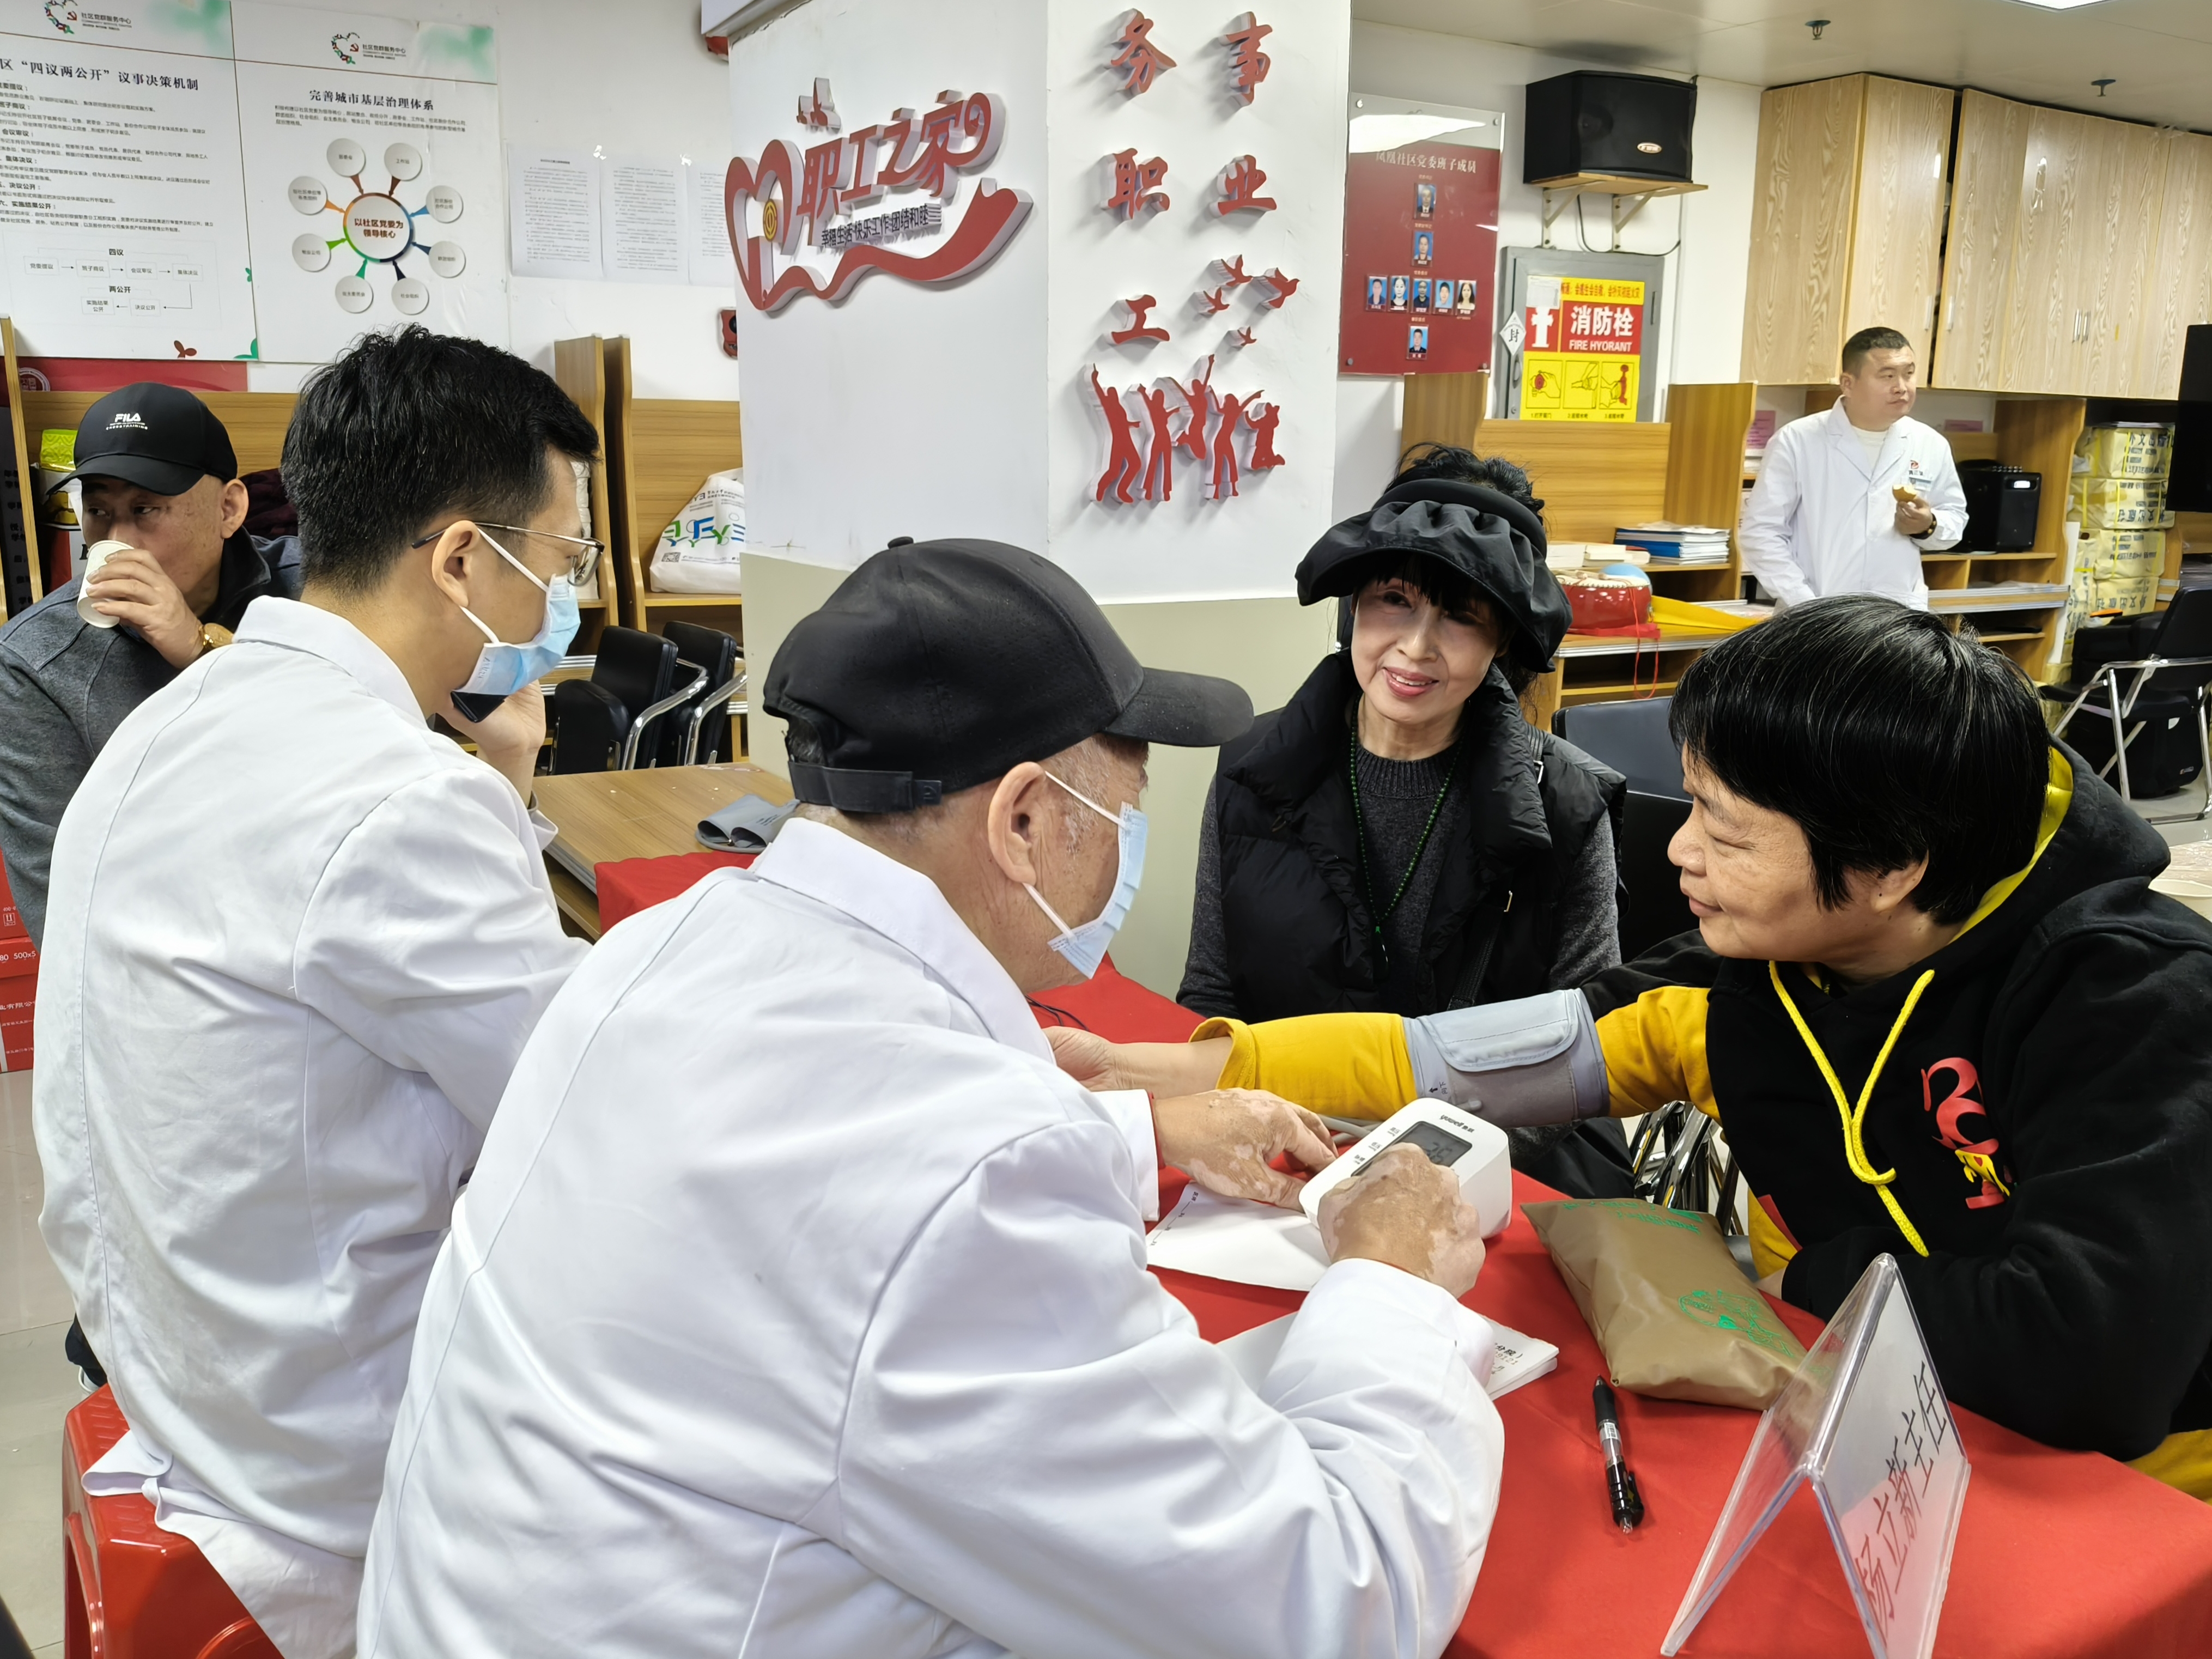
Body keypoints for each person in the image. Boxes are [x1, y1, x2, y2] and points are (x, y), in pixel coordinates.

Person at [359, 540, 1508, 1657]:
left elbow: (814, 1181)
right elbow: (1330, 1602)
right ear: (1024, 821)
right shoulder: (966, 1177)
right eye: (1130, 797)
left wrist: (1138, 1125)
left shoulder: (654, 950)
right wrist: (1388, 1284)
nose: (1134, 834)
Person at [1062, 597, 2212, 1496]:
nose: (1679, 854)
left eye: (1727, 830)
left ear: (1890, 865)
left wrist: (1789, 1282)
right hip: (1873, 1427)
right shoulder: (1744, 981)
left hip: (2134, 1490)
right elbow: (1446, 1061)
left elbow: (2090, 1362)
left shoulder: (2134, 999)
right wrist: (1156, 1068)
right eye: (1692, 804)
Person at [34, 326, 604, 1658]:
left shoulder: (176, 720)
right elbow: (584, 1102)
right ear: (461, 559)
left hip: (176, 1356)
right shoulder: (400, 795)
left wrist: (501, 786)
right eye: (563, 560)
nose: (564, 599)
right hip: (328, 1453)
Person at [1180, 445, 1628, 1194]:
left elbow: (1588, 1050)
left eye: (1461, 615)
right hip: (1287, 1155)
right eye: (1394, 599)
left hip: (1496, 1168)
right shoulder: (1254, 767)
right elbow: (1210, 992)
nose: (1416, 646)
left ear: (1502, 638)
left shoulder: (1565, 804)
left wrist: (1416, 1170)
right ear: (1354, 603)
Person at [0, 384, 302, 947]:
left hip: (322, 904)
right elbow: (60, 905)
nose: (118, 541)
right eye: (99, 511)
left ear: (229, 509)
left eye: (145, 510)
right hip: (173, 952)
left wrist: (199, 649)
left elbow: (353, 749)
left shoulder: (310, 586)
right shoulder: (34, 662)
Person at [1738, 325, 1967, 610]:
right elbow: (1761, 533)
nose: (1902, 387)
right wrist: (1803, 602)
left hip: (1896, 615)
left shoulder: (1930, 444)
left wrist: (1928, 525)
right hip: (1815, 611)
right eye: (1887, 376)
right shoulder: (1797, 441)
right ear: (1847, 383)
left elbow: (1955, 519)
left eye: (1909, 373)